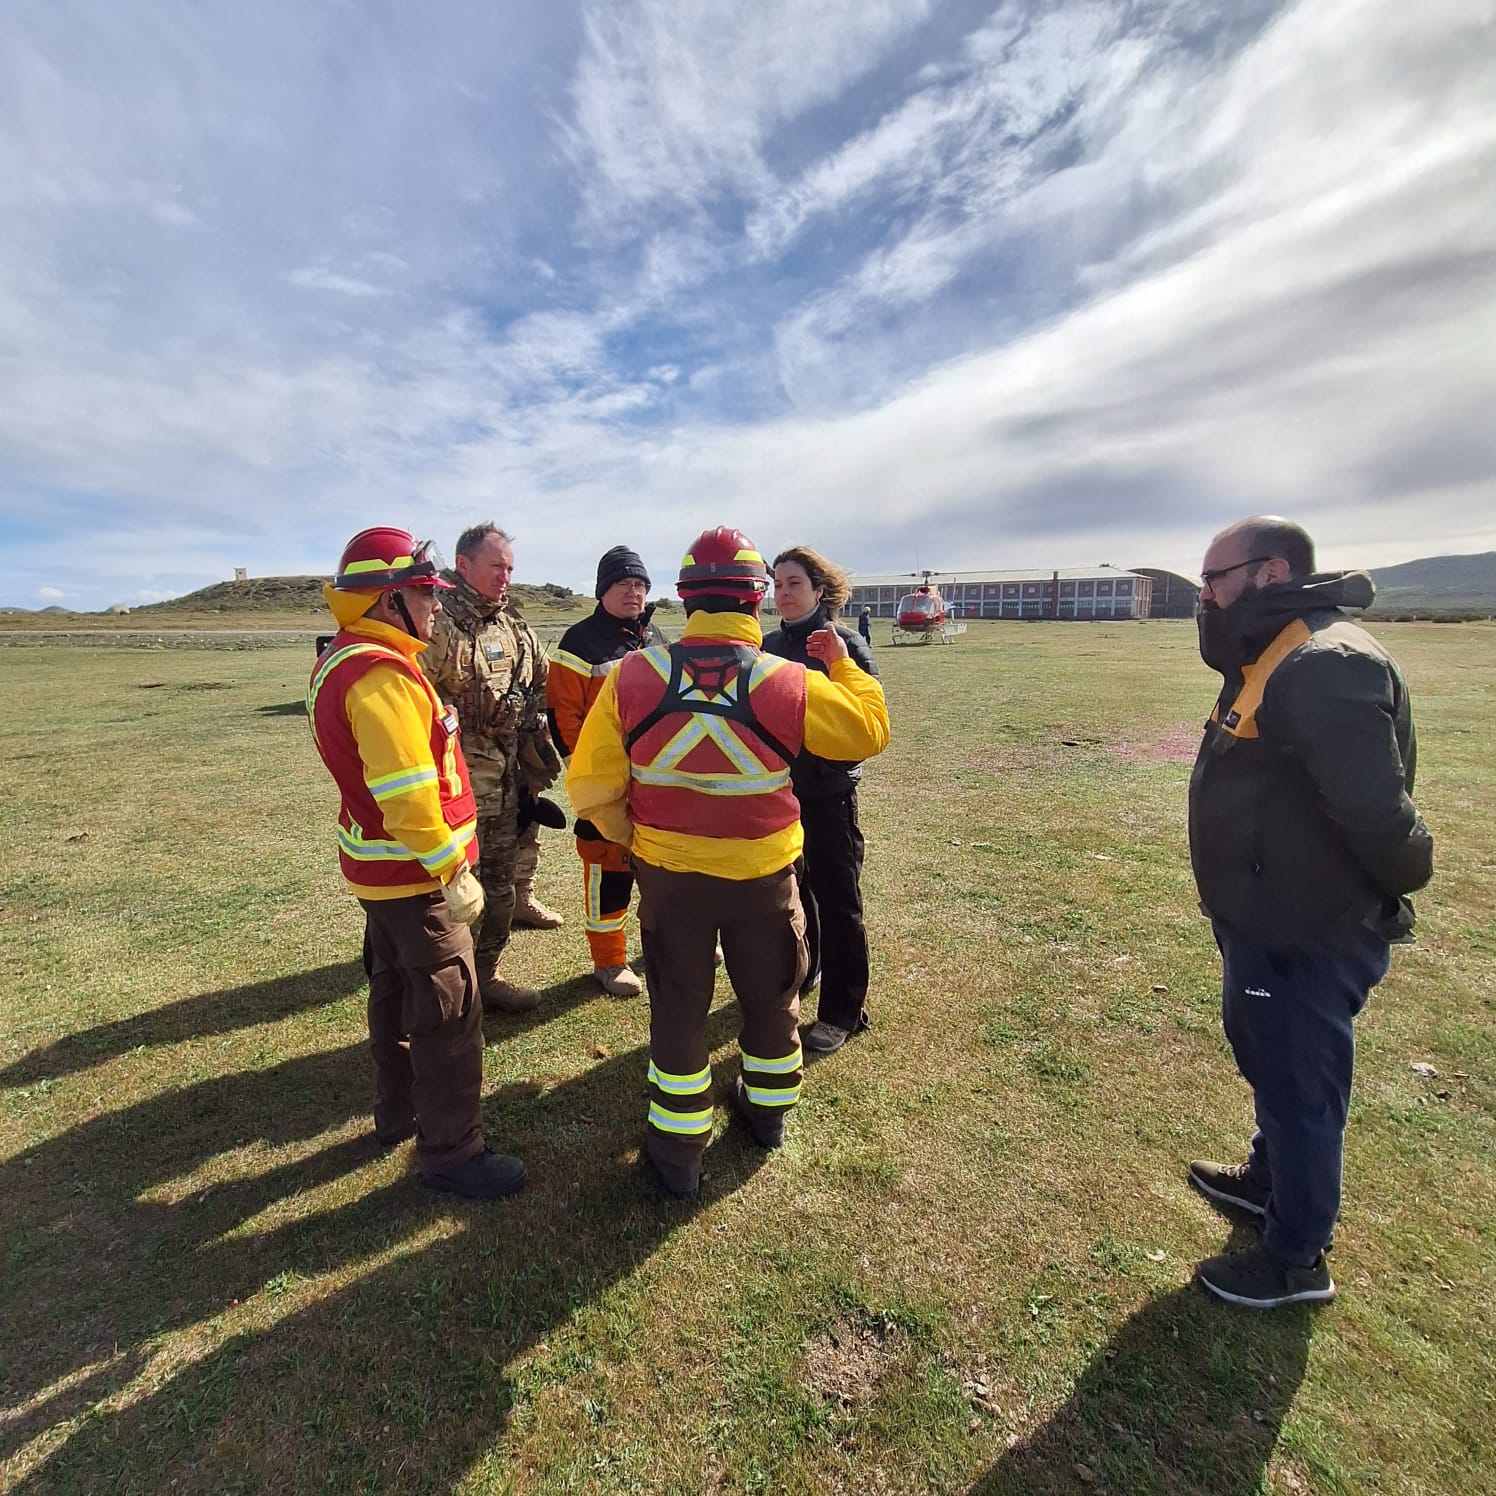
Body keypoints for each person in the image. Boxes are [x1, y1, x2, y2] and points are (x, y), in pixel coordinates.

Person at [567, 526, 890, 1200]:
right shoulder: (788, 678)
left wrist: (642, 840)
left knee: (679, 1009)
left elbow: (592, 787)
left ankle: (677, 1153)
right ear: (755, 599)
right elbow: (867, 731)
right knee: (772, 1001)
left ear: (685, 599)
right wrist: (845, 666)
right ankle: (768, 1115)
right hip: (765, 880)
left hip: (669, 879)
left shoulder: (631, 674)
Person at [1187, 515, 1433, 1307]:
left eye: (1214, 580)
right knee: (1272, 1057)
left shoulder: (1326, 663)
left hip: (1308, 929)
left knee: (1300, 1079)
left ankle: (1296, 1257)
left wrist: (1399, 879)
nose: (1204, 597)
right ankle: (1271, 1180)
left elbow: (1377, 815)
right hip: (1268, 917)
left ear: (1271, 573)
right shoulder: (1278, 650)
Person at [306, 527, 525, 1200]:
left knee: (394, 991)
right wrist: (452, 871)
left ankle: (397, 1113)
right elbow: (407, 796)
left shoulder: (346, 659)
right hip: (416, 877)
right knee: (449, 1013)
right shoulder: (382, 675)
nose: (435, 605)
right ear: (388, 601)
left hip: (381, 874)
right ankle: (453, 1153)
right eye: (424, 593)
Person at [421, 524, 561, 1013]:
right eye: (497, 566)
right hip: (454, 793)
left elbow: (541, 686)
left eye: (510, 568)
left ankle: (486, 978)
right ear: (463, 565)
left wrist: (535, 758)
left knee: (499, 894)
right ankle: (451, 996)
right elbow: (414, 704)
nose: (506, 576)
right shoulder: (436, 624)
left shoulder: (513, 626)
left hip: (506, 788)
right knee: (452, 903)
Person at [763, 547, 880, 1054]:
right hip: (780, 796)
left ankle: (842, 1010)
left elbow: (865, 722)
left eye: (794, 583)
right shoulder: (767, 646)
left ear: (819, 590)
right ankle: (805, 970)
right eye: (777, 584)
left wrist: (823, 768)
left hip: (828, 797)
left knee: (839, 902)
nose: (783, 593)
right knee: (795, 893)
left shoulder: (845, 644)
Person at [546, 545, 668, 997]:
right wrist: (593, 776)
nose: (634, 592)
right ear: (602, 590)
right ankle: (610, 960)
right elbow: (563, 715)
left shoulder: (656, 637)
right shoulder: (578, 642)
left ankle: (670, 942)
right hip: (606, 784)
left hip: (656, 780)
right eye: (624, 584)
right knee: (608, 871)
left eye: (640, 585)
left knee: (663, 866)